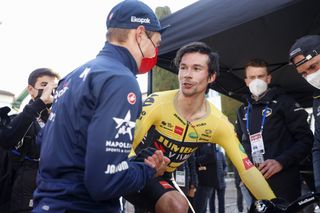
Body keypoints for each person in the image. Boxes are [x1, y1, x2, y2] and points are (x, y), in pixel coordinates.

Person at [32, 1, 170, 212]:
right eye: (157, 43)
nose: (154, 51)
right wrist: (148, 169)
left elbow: (51, 143)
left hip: (49, 202)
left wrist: (133, 161)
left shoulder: (74, 76)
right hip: (82, 206)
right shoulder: (120, 80)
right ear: (140, 34)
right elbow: (106, 182)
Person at [124, 42, 276, 213]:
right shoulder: (156, 102)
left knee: (178, 206)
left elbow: (246, 169)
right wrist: (139, 168)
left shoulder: (218, 122)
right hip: (128, 167)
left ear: (211, 77)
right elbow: (124, 145)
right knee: (176, 205)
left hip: (161, 177)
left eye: (196, 69)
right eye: (183, 67)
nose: (187, 75)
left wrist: (273, 202)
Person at [235, 58, 313, 203]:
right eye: (252, 77)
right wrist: (242, 175)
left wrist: (281, 162)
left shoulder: (285, 103)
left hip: (284, 183)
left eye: (261, 76)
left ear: (268, 78)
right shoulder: (242, 110)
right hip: (253, 183)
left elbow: (306, 140)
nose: (256, 81)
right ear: (246, 81)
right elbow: (238, 145)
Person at [0, 68, 59, 212]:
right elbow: (7, 138)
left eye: (54, 87)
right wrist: (40, 103)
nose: (50, 91)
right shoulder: (17, 120)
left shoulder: (62, 121)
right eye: (44, 85)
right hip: (22, 198)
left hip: (55, 195)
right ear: (31, 90)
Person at [289, 35, 320, 193]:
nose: (310, 75)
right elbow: (317, 146)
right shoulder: (317, 98)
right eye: (304, 73)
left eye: (313, 67)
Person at [193, 143, 217, 213]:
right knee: (202, 208)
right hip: (203, 182)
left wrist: (195, 160)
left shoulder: (208, 143)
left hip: (205, 181)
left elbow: (211, 157)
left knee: (199, 208)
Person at [208, 146, 227, 213]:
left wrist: (224, 171)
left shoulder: (220, 154)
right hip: (211, 182)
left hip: (221, 181)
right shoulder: (208, 154)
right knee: (211, 201)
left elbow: (225, 165)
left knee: (221, 201)